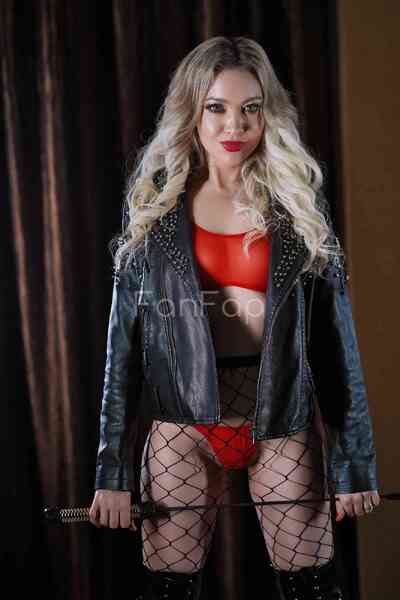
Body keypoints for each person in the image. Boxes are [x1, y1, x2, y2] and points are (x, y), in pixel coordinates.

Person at [89, 36, 380, 600]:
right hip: (181, 428)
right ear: (192, 113)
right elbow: (120, 356)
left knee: (313, 589)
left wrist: (355, 466)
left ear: (268, 114)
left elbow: (336, 350)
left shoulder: (297, 210)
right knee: (169, 591)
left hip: (280, 419)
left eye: (251, 108)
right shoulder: (157, 214)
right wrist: (112, 473)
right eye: (216, 107)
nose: (235, 125)